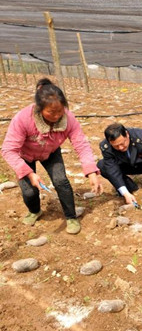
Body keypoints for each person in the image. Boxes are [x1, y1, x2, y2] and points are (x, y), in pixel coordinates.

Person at [1, 78, 102, 234]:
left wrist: (91, 171)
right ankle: (35, 211)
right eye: (51, 112)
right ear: (39, 109)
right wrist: (28, 173)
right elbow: (8, 149)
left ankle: (70, 216)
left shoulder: (69, 119)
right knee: (29, 191)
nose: (56, 116)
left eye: (60, 111)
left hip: (51, 152)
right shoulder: (22, 119)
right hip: (25, 155)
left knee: (61, 181)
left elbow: (81, 144)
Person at [97, 123, 142, 206]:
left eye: (122, 143)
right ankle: (129, 187)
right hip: (125, 165)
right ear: (110, 142)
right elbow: (112, 169)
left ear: (127, 134)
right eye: (116, 146)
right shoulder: (105, 146)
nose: (120, 148)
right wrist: (125, 193)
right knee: (102, 166)